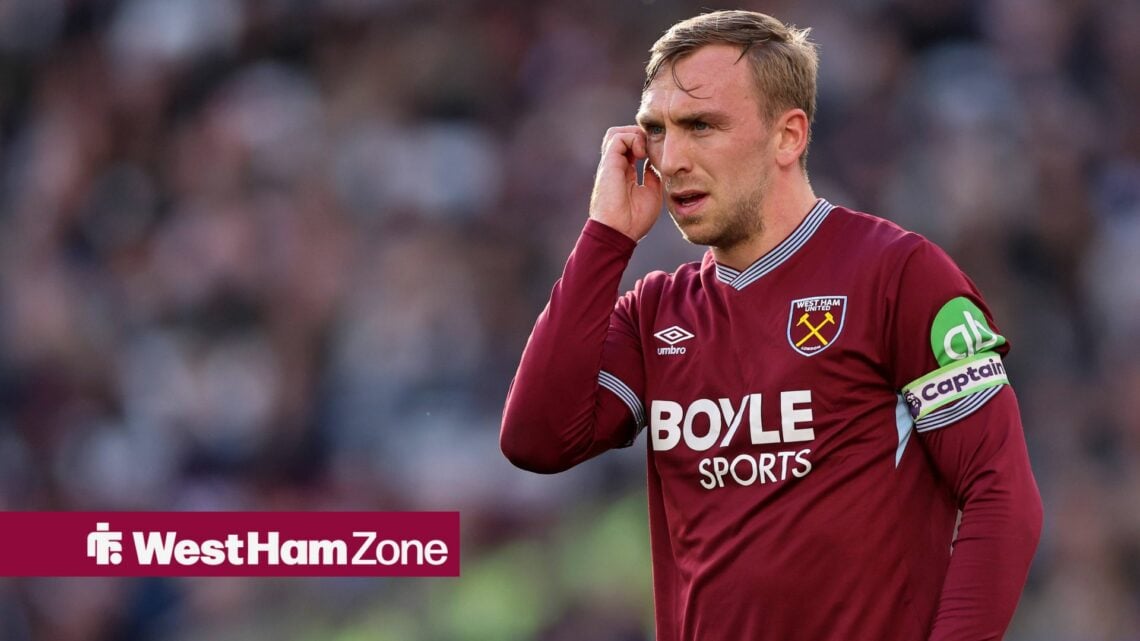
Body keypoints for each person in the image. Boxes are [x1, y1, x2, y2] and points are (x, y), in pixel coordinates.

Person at [500, 10, 1042, 641]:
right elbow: (536, 440)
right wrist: (605, 237)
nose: (671, 159)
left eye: (701, 126)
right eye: (657, 130)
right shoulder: (655, 312)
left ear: (788, 137)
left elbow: (1001, 494)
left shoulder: (898, 275)